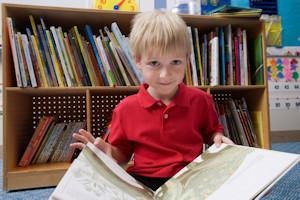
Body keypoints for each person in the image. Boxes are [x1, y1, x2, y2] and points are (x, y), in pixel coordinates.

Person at [70, 10, 233, 191]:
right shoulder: (125, 109)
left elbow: (211, 132)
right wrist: (105, 151)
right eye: (154, 63)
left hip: (191, 177)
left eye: (176, 62)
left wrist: (217, 138)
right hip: (143, 181)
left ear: (187, 59)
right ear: (138, 61)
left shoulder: (202, 100)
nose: (165, 74)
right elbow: (122, 156)